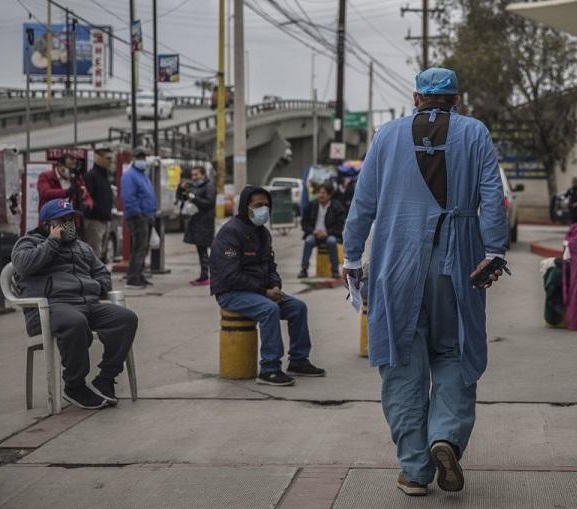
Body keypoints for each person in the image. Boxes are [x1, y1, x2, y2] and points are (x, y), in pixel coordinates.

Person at [342, 67, 508, 497]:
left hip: (396, 262)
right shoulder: (475, 134)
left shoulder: (387, 135)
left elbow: (363, 202)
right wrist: (493, 251)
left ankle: (414, 469)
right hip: (460, 262)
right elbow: (492, 196)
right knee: (454, 351)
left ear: (416, 98)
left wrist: (350, 255)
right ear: (456, 99)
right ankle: (445, 436)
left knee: (401, 359)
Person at [11, 199, 138, 409]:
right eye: (62, 220)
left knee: (126, 319)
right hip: (50, 308)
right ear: (46, 224)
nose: (69, 224)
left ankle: (105, 379)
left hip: (86, 305)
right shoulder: (28, 242)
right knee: (76, 322)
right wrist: (52, 242)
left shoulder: (82, 247)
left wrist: (93, 287)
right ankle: (74, 385)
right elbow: (24, 265)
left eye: (71, 219)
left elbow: (103, 276)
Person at [211, 186, 326, 386]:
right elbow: (230, 276)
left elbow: (270, 265)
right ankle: (269, 369)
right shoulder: (230, 232)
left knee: (298, 307)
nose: (263, 209)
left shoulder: (263, 233)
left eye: (266, 205)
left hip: (260, 291)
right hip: (231, 292)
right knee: (269, 310)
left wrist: (275, 285)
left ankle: (298, 360)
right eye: (258, 205)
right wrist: (264, 291)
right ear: (246, 206)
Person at [120, 147, 158, 289]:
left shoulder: (143, 174)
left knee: (143, 247)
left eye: (144, 157)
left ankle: (139, 275)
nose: (142, 160)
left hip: (147, 215)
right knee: (139, 247)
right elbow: (128, 197)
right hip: (138, 216)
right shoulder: (129, 175)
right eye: (139, 158)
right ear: (133, 159)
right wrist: (138, 213)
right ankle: (133, 278)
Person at [298, 182, 346, 278]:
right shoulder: (311, 205)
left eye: (323, 193)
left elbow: (339, 226)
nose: (321, 195)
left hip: (329, 234)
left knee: (332, 241)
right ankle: (304, 269)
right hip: (314, 234)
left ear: (329, 194)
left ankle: (335, 270)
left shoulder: (337, 207)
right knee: (308, 241)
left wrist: (326, 233)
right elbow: (304, 223)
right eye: (319, 192)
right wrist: (313, 231)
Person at [179, 166, 217, 285]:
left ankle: (207, 276)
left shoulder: (209, 186)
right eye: (192, 175)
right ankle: (204, 275)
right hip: (197, 223)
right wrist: (185, 192)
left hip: (205, 223)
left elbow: (209, 203)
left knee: (204, 251)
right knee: (201, 251)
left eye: (196, 175)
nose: (194, 177)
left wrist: (193, 198)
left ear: (203, 174)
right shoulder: (196, 186)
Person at [84, 147, 114, 262]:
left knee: (101, 254)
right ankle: (94, 279)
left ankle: (99, 278)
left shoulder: (104, 176)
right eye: (108, 158)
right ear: (99, 158)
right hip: (94, 220)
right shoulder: (91, 176)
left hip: (104, 220)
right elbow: (87, 198)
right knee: (94, 255)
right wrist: (98, 210)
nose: (110, 161)